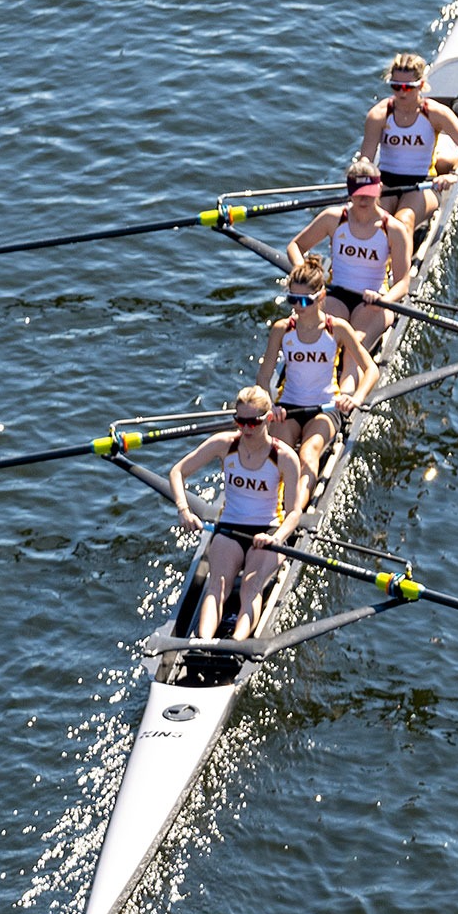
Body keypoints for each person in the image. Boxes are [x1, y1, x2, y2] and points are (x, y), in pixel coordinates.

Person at [168, 386, 307, 641]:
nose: (246, 429)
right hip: (229, 527)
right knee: (217, 584)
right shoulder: (224, 444)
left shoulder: (285, 457)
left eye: (253, 422)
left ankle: (237, 643)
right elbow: (177, 472)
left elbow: (295, 513)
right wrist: (183, 510)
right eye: (240, 421)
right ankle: (203, 642)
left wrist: (276, 539)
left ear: (268, 418)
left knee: (250, 587)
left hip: (268, 530)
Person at [255, 257, 379, 492]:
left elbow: (370, 369)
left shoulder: (338, 328)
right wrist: (270, 405)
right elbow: (263, 377)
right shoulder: (282, 329)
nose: (298, 306)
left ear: (321, 297)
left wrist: (355, 398)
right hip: (288, 405)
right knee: (277, 456)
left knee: (307, 455)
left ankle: (293, 515)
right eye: (293, 299)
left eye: (305, 300)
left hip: (326, 407)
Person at [285, 155, 413, 350]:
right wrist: (303, 274)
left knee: (355, 345)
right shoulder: (333, 218)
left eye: (369, 193)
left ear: (379, 189)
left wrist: (384, 301)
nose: (364, 199)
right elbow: (295, 246)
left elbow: (403, 283)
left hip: (373, 300)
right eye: (359, 193)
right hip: (336, 294)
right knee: (322, 342)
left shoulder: (394, 230)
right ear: (350, 192)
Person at [356, 51, 458, 237]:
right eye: (396, 86)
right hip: (387, 183)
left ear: (421, 85)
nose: (401, 92)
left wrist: (454, 175)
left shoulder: (436, 113)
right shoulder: (379, 114)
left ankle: (396, 262)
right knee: (372, 223)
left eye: (407, 87)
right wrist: (363, 177)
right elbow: (366, 157)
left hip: (423, 184)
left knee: (403, 222)